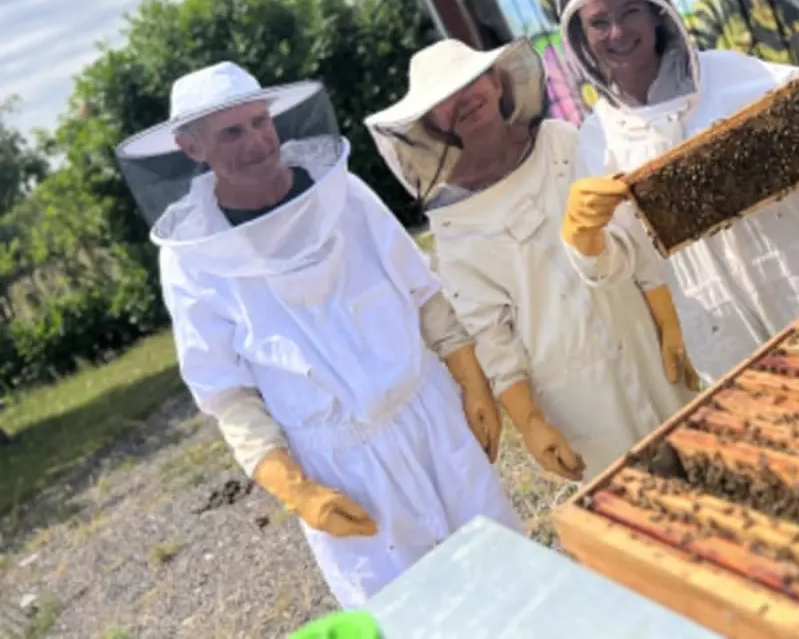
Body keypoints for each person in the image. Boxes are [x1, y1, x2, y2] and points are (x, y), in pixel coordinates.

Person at [115, 61, 521, 608]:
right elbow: (228, 395)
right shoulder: (192, 260)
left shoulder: (343, 194)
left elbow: (422, 294)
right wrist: (296, 489)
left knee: (507, 579)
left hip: (430, 416)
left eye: (260, 121)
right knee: (412, 613)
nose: (257, 140)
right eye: (232, 132)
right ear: (192, 148)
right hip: (342, 467)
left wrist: (471, 381)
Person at [550, 0, 799, 383]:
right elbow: (619, 263)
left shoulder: (732, 73)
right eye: (598, 23)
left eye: (629, 13)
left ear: (655, 11)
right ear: (580, 38)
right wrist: (582, 237)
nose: (618, 33)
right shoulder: (597, 138)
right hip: (720, 329)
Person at [364, 38, 699, 483]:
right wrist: (530, 421)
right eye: (442, 102)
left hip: (645, 340)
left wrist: (669, 318)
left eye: (469, 82)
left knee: (708, 462)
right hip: (576, 393)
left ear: (496, 80)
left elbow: (627, 227)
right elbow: (490, 332)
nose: (461, 101)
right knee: (641, 508)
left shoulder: (560, 140)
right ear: (431, 123)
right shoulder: (453, 223)